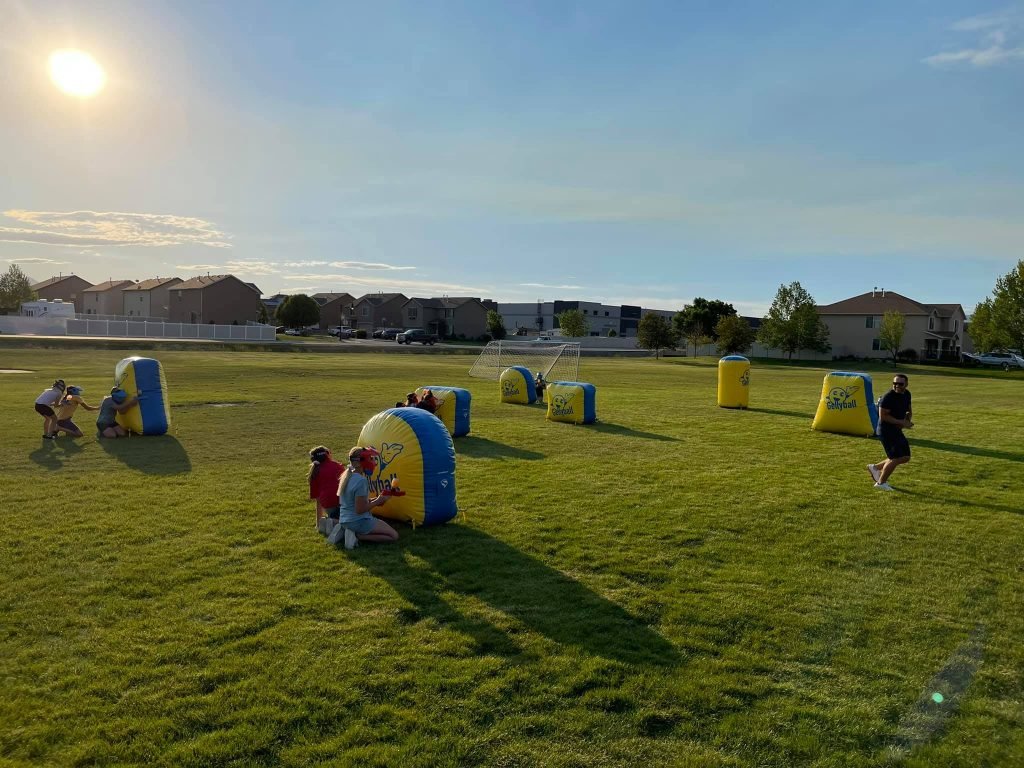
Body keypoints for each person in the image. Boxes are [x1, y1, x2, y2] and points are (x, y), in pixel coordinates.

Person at [327, 446, 398, 549]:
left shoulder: (347, 476)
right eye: (370, 458)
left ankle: (347, 530)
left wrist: (377, 499)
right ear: (361, 462)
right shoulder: (361, 481)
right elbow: (360, 509)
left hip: (344, 519)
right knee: (393, 536)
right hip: (357, 521)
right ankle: (357, 536)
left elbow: (354, 502)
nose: (373, 462)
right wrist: (378, 500)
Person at [867, 373, 913, 491]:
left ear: (906, 384)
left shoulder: (907, 394)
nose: (897, 385)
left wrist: (907, 419)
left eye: (900, 384)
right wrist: (901, 422)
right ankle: (881, 483)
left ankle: (875, 468)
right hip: (886, 431)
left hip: (896, 430)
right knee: (896, 457)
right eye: (894, 383)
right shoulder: (888, 397)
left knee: (905, 457)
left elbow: (908, 410)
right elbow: (883, 416)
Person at [309, 446, 345, 535]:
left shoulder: (315, 472)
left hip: (328, 505)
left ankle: (329, 521)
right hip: (342, 502)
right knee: (350, 520)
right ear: (328, 455)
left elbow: (318, 500)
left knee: (334, 515)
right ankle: (333, 522)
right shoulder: (338, 466)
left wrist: (318, 523)